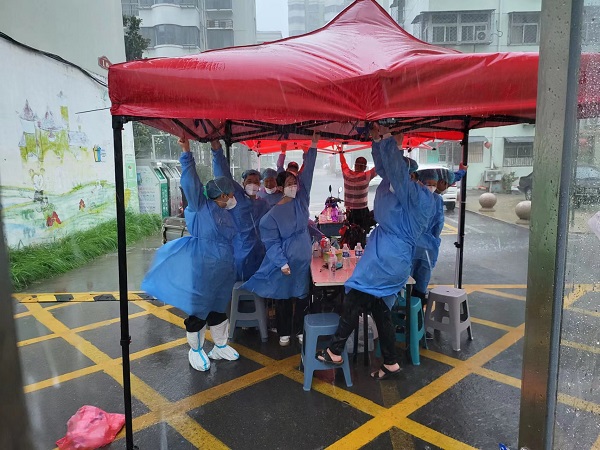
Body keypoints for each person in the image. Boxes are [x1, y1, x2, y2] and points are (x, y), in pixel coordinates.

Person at [317, 126, 436, 380]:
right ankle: (390, 362)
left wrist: (392, 142)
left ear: (408, 174)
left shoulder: (414, 195)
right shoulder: (398, 185)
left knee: (355, 294)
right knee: (380, 308)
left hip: (389, 258)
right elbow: (385, 168)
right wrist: (377, 141)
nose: (389, 176)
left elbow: (395, 170)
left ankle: (335, 350)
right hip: (388, 255)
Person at [141, 137, 239, 372]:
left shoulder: (225, 212)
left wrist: (216, 150)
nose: (232, 197)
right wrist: (186, 153)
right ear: (222, 195)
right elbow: (190, 182)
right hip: (203, 268)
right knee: (199, 309)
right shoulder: (200, 207)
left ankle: (220, 345)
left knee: (219, 307)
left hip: (223, 270)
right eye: (229, 194)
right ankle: (195, 350)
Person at [242, 133, 319, 346]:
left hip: (302, 260)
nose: (294, 186)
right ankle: (284, 331)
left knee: (302, 295)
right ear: (281, 187)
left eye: (295, 182)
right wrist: (282, 262)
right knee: (283, 295)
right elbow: (272, 243)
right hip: (285, 262)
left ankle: (300, 329)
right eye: (290, 183)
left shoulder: (301, 202)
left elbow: (308, 174)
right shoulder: (271, 216)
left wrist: (313, 147)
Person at [212, 144, 270, 282]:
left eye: (256, 182)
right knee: (240, 285)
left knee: (258, 284)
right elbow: (223, 176)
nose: (253, 184)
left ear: (260, 185)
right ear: (243, 183)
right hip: (241, 251)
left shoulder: (263, 204)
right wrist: (217, 151)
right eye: (249, 181)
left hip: (260, 252)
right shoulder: (237, 198)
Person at [411, 169, 445, 304]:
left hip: (418, 244)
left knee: (414, 279)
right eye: (428, 184)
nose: (431, 187)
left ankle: (412, 308)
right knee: (418, 277)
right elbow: (439, 224)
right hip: (425, 245)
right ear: (421, 182)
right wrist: (433, 239)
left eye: (434, 184)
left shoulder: (417, 198)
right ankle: (415, 308)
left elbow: (438, 223)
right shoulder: (416, 198)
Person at [339, 153, 377, 232]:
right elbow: (378, 167)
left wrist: (341, 153)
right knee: (362, 232)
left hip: (349, 212)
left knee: (351, 232)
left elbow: (343, 163)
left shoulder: (347, 174)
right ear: (365, 167)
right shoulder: (366, 176)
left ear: (355, 165)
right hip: (362, 211)